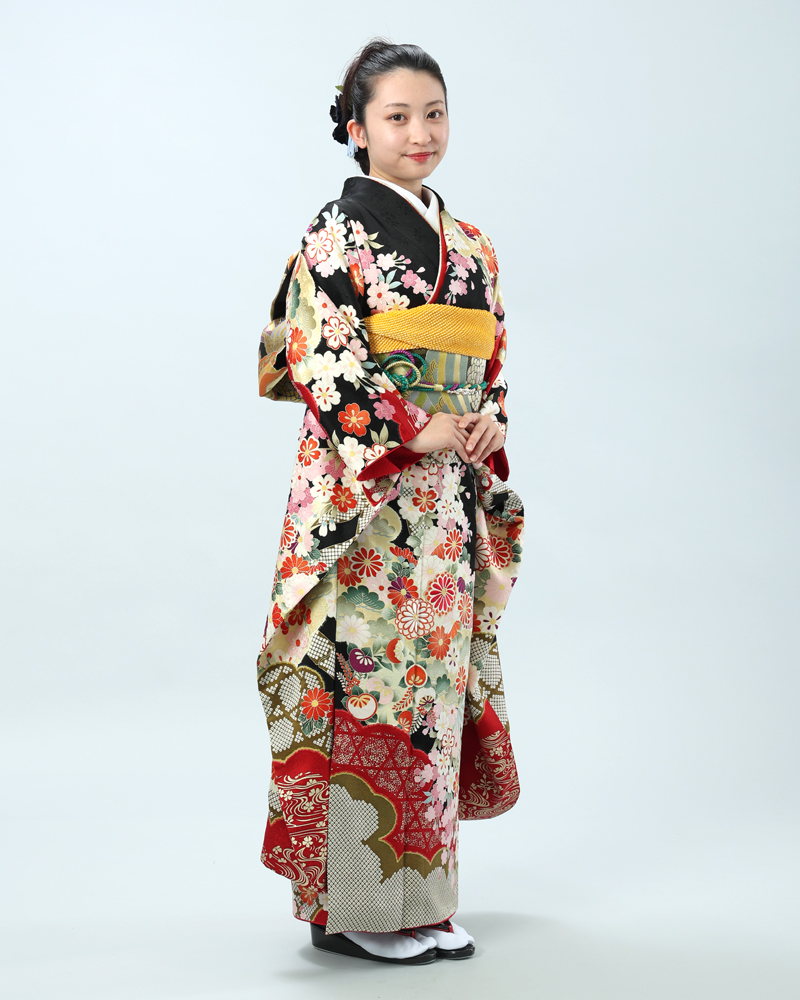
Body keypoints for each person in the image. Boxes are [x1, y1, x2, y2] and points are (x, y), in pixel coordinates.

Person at [256, 39, 525, 965]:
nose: (421, 132)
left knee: (429, 700)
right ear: (356, 130)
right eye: (398, 116)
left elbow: (491, 360)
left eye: (434, 114)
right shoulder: (334, 235)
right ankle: (353, 912)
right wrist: (414, 425)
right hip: (362, 504)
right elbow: (316, 355)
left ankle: (423, 900)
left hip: (442, 506)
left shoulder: (473, 245)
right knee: (363, 690)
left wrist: (485, 420)